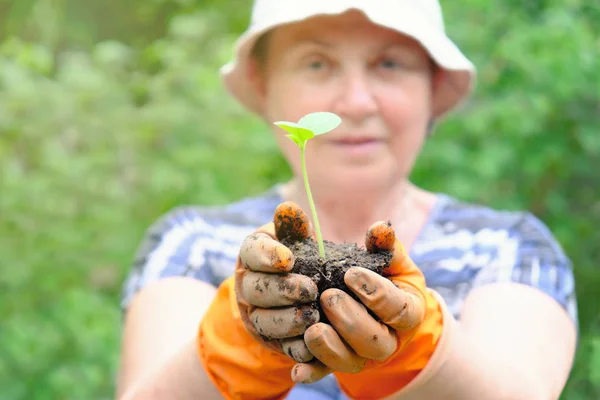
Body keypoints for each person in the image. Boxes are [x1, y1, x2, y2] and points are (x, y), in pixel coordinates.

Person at [115, 1, 578, 399]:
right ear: (262, 82)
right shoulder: (194, 244)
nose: (355, 103)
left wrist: (416, 345)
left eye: (390, 64)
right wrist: (241, 339)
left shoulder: (504, 247)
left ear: (433, 87)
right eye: (316, 63)